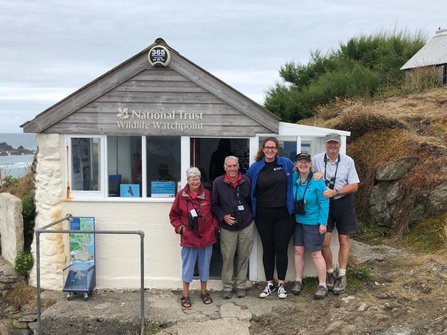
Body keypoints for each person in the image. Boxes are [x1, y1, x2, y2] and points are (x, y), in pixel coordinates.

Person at [245, 137, 296, 299]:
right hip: (263, 214)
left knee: (281, 248)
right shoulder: (255, 168)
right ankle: (269, 283)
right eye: (267, 147)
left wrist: (317, 174)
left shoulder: (286, 164)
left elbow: (303, 171)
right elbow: (245, 184)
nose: (270, 150)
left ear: (277, 149)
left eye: (273, 147)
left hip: (284, 214)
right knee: (268, 248)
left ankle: (281, 284)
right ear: (263, 149)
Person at [312, 133, 360, 295]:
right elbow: (305, 175)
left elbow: (354, 186)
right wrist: (315, 176)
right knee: (324, 242)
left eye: (336, 144)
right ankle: (330, 273)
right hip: (324, 204)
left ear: (339, 145)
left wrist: (336, 191)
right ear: (325, 144)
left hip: (343, 202)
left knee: (344, 239)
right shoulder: (316, 159)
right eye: (330, 143)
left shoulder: (348, 161)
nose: (333, 146)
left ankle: (342, 275)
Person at [169, 167, 219, 308]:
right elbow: (174, 215)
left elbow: (215, 211)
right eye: (192, 179)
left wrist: (214, 227)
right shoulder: (181, 196)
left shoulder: (208, 194)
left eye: (197, 178)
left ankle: (204, 292)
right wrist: (181, 228)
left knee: (205, 266)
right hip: (189, 238)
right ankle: (185, 295)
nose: (195, 181)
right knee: (188, 267)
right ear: (188, 180)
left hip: (206, 237)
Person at [212, 156, 254, 299]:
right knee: (228, 257)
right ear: (225, 167)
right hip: (227, 226)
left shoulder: (246, 181)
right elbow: (214, 205)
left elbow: (252, 201)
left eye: (234, 166)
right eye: (229, 166)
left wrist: (251, 216)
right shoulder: (218, 182)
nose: (232, 169)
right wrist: (223, 216)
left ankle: (241, 285)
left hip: (246, 224)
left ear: (238, 166)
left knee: (244, 255)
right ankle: (227, 287)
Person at [291, 153, 329, 299]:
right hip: (298, 221)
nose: (303, 164)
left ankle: (322, 285)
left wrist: (323, 223)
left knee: (315, 253)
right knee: (298, 251)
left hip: (313, 223)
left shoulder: (317, 180)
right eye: (300, 162)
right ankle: (298, 281)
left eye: (306, 162)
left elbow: (324, 202)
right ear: (296, 164)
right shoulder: (294, 178)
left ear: (310, 164)